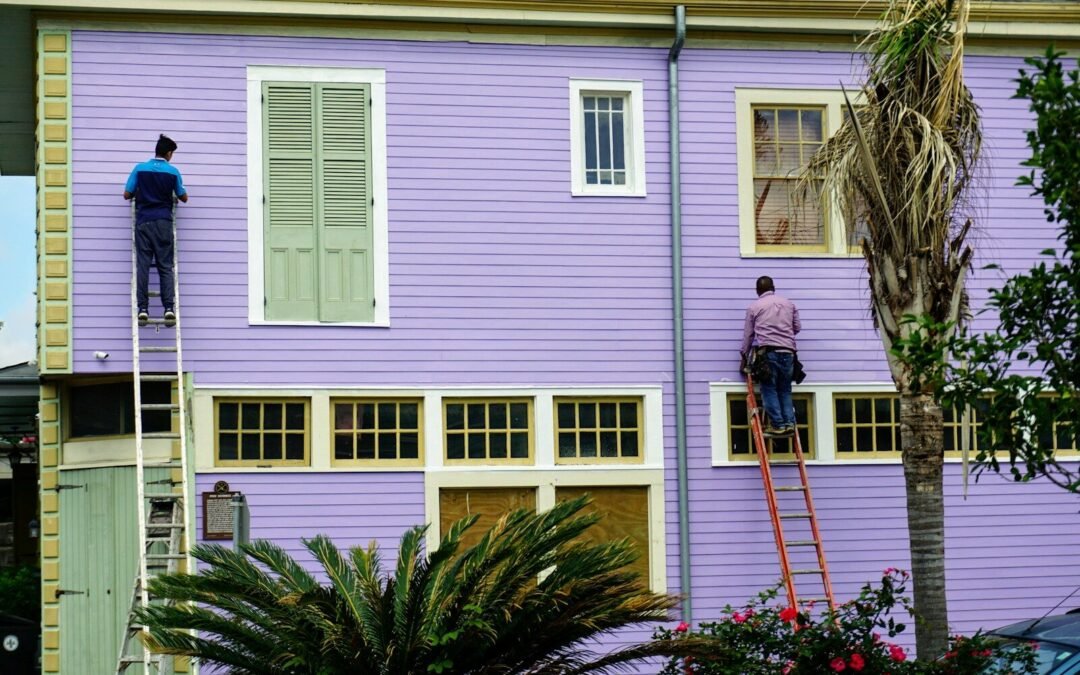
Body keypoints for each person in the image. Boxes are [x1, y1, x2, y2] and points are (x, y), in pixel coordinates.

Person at [124, 134, 188, 327]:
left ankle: (143, 309)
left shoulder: (139, 168)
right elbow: (183, 197)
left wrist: (142, 192)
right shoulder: (173, 172)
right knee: (165, 266)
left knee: (143, 266)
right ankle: (169, 308)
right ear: (168, 153)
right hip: (163, 223)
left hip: (144, 222)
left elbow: (127, 194)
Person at [740, 276, 801, 437]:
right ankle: (789, 423)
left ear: (757, 291)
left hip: (768, 353)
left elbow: (749, 335)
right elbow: (797, 328)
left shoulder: (754, 307)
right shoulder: (789, 304)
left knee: (769, 389)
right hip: (788, 352)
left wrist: (744, 355)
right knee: (785, 389)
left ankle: (778, 425)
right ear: (773, 288)